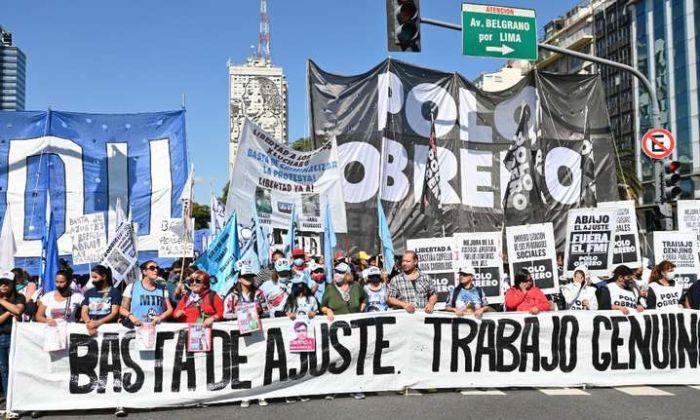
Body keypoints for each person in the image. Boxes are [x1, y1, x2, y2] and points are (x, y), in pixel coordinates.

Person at [320, 262, 367, 400]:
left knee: (354, 358)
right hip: (336, 330)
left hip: (354, 329)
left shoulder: (357, 287)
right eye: (336, 272)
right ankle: (333, 388)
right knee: (335, 359)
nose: (337, 275)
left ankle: (355, 388)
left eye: (340, 272)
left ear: (347, 275)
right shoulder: (330, 288)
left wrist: (361, 308)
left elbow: (365, 298)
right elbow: (322, 306)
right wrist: (327, 310)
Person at [120, 261, 173, 326]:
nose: (156, 270)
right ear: (144, 272)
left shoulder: (162, 289)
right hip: (137, 328)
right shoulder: (132, 287)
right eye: (152, 268)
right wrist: (132, 317)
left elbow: (170, 309)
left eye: (157, 268)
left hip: (157, 329)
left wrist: (160, 317)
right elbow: (123, 309)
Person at [0, 270, 25, 408]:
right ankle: (8, 398)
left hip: (14, 337)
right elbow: (14, 311)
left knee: (16, 368)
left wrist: (3, 303)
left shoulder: (19, 297)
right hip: (0, 337)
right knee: (4, 370)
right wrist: (9, 311)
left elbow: (18, 310)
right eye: (0, 284)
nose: (3, 286)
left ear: (12, 284)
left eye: (6, 283)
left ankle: (18, 397)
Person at [81, 265, 121, 336]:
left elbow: (114, 313)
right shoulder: (89, 292)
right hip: (91, 329)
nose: (92, 280)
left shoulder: (114, 292)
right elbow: (84, 311)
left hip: (108, 331)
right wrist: (89, 323)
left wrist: (98, 323)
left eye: (95, 277)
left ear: (104, 276)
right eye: (92, 277)